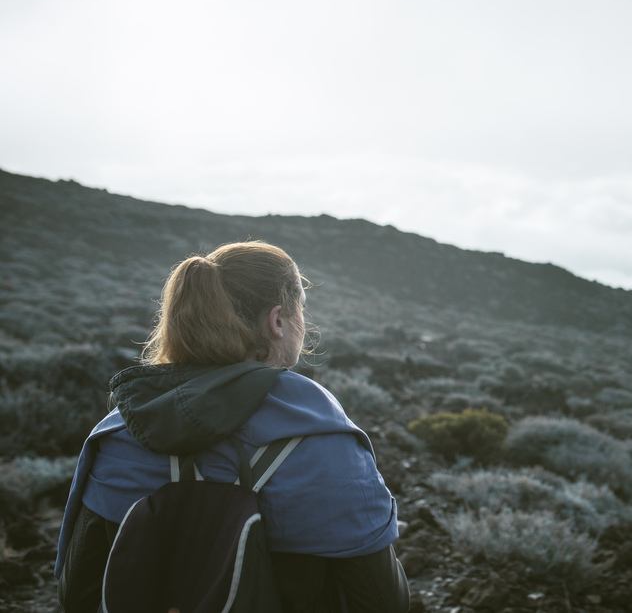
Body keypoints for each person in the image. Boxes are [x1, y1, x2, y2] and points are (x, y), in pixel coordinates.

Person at [54, 240, 410, 612]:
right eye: (301, 308)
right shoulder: (323, 437)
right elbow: (382, 601)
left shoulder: (120, 431)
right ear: (277, 321)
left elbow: (78, 593)